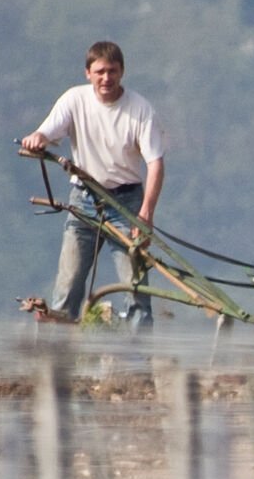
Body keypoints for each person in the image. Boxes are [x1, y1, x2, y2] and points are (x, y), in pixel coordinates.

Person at [22, 40, 167, 328]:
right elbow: (47, 131)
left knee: (135, 286)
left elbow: (155, 164)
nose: (106, 78)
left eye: (112, 71)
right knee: (69, 283)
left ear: (122, 72)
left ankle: (138, 364)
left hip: (126, 203)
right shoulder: (74, 100)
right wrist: (37, 137)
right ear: (88, 73)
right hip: (85, 201)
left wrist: (146, 213)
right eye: (99, 71)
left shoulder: (140, 110)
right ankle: (58, 360)